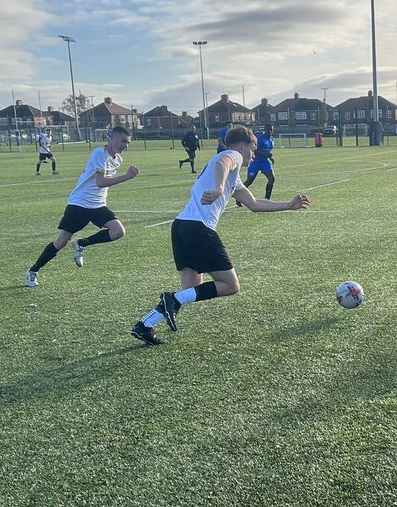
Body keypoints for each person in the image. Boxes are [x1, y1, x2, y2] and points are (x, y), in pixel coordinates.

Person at [130, 125, 310, 346]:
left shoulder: (232, 176)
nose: (253, 156)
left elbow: (254, 204)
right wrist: (218, 187)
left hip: (181, 227)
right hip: (199, 228)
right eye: (252, 150)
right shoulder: (230, 155)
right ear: (242, 146)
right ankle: (171, 299)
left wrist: (288, 205)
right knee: (230, 286)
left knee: (191, 291)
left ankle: (144, 325)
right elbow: (225, 163)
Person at [26, 126, 139, 287]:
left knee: (118, 231)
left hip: (98, 205)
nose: (125, 146)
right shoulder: (100, 153)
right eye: (123, 141)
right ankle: (33, 270)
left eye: (128, 143)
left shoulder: (118, 159)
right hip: (79, 204)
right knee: (61, 241)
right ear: (111, 138)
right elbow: (100, 182)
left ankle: (81, 243)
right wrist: (127, 177)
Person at [244, 123, 277, 199]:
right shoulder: (259, 139)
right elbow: (254, 150)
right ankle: (238, 197)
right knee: (249, 181)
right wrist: (265, 154)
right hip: (255, 162)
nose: (269, 131)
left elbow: (267, 152)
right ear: (264, 130)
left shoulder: (272, 139)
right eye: (268, 129)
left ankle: (267, 199)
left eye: (271, 130)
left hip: (264, 162)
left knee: (271, 179)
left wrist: (269, 157)